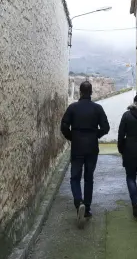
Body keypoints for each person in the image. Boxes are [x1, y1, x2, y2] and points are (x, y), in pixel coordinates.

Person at [60, 80, 110, 228]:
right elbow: (106, 127)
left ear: (80, 92)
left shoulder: (73, 108)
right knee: (89, 178)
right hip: (92, 147)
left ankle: (78, 202)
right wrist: (96, 135)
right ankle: (87, 209)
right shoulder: (97, 108)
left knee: (75, 178)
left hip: (77, 147)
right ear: (91, 92)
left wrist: (72, 137)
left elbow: (63, 126)